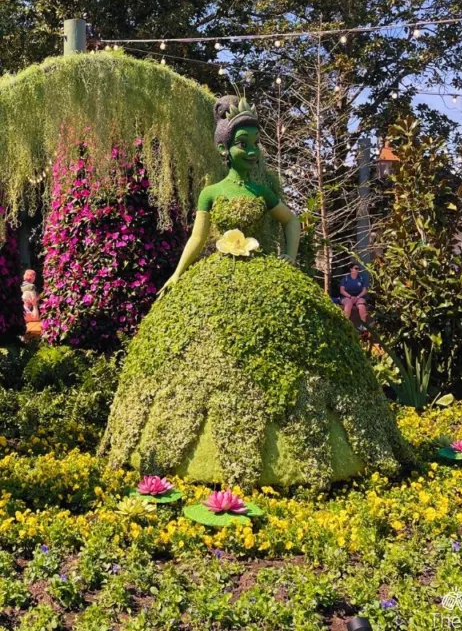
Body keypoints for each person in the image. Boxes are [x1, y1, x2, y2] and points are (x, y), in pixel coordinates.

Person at [101, 95, 414, 488]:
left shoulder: (262, 193)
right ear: (224, 149)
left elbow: (292, 221)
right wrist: (178, 275)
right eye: (242, 143)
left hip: (265, 270)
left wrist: (290, 258)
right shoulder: (211, 193)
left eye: (254, 143)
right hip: (214, 278)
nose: (250, 150)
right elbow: (197, 239)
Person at [340, 263, 369, 328]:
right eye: (356, 268)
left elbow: (364, 291)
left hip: (359, 296)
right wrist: (350, 296)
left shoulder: (362, 278)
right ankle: (345, 324)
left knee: (361, 304)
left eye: (358, 269)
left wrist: (357, 297)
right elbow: (342, 290)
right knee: (348, 303)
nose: (357, 270)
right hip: (347, 296)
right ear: (351, 269)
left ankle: (363, 325)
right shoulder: (345, 278)